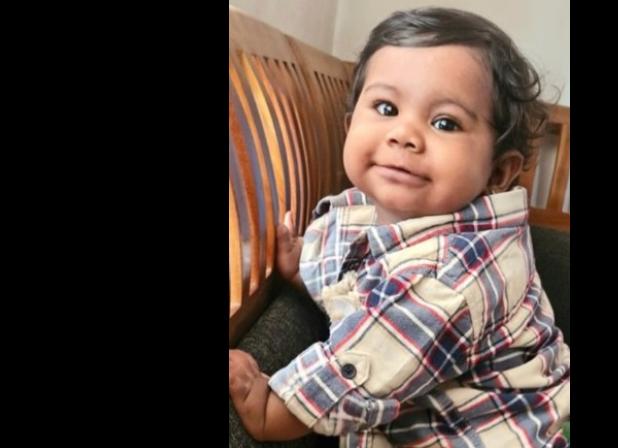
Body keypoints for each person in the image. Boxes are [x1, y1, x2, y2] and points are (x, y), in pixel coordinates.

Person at [229, 7, 570, 447]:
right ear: (350, 126)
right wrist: (303, 271)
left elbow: (355, 372)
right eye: (386, 108)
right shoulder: (375, 206)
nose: (404, 134)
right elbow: (357, 276)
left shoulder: (446, 279)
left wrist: (269, 410)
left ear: (498, 172)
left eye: (445, 122)